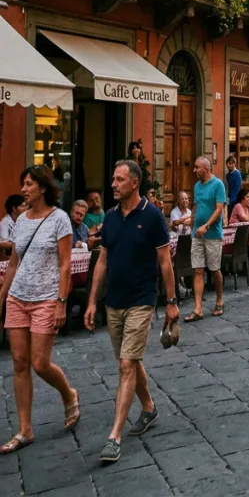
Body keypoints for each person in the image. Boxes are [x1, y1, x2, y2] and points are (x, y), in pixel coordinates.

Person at [83, 160, 177, 464]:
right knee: (130, 360)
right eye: (113, 179)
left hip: (141, 299)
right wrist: (92, 301)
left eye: (119, 179)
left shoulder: (152, 216)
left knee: (126, 364)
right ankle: (149, 407)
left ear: (134, 183)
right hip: (114, 301)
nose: (113, 184)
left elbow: (165, 261)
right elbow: (102, 260)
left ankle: (114, 436)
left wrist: (171, 301)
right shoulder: (110, 218)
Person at [0, 166, 79, 456]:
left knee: (40, 364)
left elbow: (65, 265)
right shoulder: (20, 221)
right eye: (23, 184)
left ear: (43, 188)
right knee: (19, 362)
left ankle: (68, 394)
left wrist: (61, 302)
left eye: (28, 184)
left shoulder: (60, 219)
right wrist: (1, 297)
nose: (23, 189)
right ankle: (25, 430)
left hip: (46, 298)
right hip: (18, 297)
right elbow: (13, 264)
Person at [185, 156, 226, 321]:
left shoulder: (218, 184)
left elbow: (219, 209)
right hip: (197, 234)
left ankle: (219, 300)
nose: (194, 170)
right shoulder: (197, 186)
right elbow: (196, 206)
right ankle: (198, 309)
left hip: (213, 234)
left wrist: (206, 226)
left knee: (215, 270)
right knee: (198, 270)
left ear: (206, 169)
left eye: (197, 167)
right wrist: (192, 223)